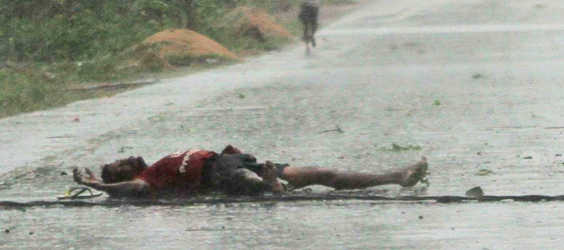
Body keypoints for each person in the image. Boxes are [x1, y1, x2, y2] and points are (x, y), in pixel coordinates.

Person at [72, 145, 428, 198]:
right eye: (117, 166)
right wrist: (96, 184)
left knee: (322, 173)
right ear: (122, 175)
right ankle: (269, 186)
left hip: (233, 160)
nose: (124, 158)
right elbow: (129, 192)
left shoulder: (157, 164)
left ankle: (396, 176)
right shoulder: (145, 181)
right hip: (217, 174)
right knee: (248, 183)